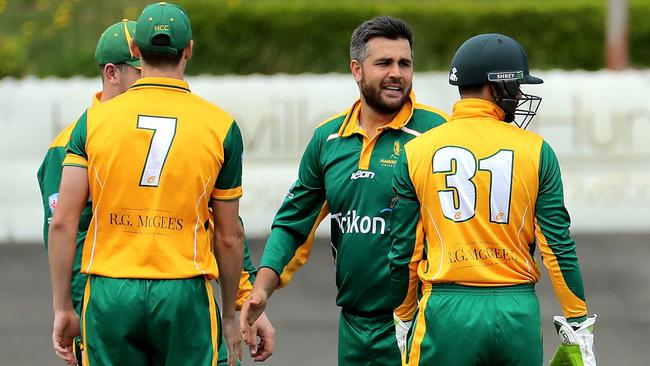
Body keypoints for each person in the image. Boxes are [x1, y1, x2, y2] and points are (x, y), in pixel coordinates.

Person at [48, 3, 248, 365]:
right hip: (184, 287)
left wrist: (63, 307)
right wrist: (231, 313)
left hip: (109, 290)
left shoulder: (92, 123)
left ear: (137, 52)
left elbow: (62, 222)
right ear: (189, 50)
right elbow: (229, 235)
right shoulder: (220, 126)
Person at [241, 16, 448, 365]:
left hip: (420, 323)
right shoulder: (328, 139)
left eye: (405, 63)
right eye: (384, 63)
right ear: (357, 69)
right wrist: (261, 290)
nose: (397, 72)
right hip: (353, 326)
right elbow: (294, 224)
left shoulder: (438, 133)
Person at [388, 33, 595, 366]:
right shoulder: (537, 150)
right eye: (516, 85)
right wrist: (578, 319)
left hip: (446, 310)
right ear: (495, 88)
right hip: (517, 312)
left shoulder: (416, 152)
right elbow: (556, 246)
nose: (521, 94)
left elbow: (404, 251)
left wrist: (403, 315)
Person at [37, 18, 141, 365]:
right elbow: (65, 230)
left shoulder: (168, 129)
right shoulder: (67, 146)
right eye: (143, 73)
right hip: (101, 308)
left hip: (161, 301)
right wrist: (73, 308)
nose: (157, 82)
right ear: (112, 74)